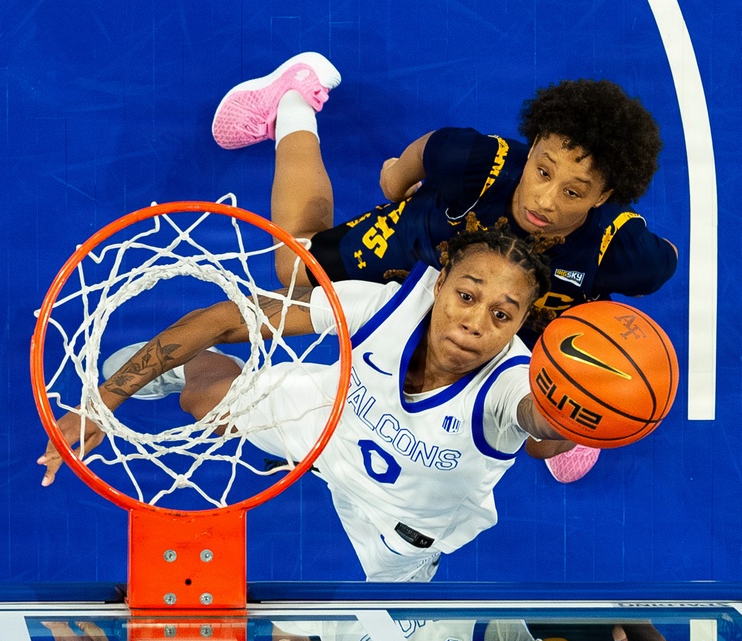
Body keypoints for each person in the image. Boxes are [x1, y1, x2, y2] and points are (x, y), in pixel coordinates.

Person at [209, 53, 679, 483]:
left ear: (603, 197)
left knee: (540, 439)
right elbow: (416, 159)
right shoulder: (475, 161)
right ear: (534, 145)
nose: (544, 199)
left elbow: (664, 262)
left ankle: (577, 394)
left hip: (526, 312)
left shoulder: (623, 249)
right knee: (295, 269)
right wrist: (395, 184)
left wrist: (588, 367)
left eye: (573, 192)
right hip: (425, 250)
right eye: (543, 171)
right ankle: (292, 100)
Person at [38, 226, 581, 582]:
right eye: (466, 295)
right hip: (330, 421)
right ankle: (192, 366)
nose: (475, 323)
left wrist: (580, 409)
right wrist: (101, 404)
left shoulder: (513, 381)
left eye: (502, 315)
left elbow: (539, 423)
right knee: (204, 403)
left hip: (403, 524)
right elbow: (228, 319)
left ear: (520, 324)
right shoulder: (380, 305)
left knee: (359, 634)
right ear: (439, 286)